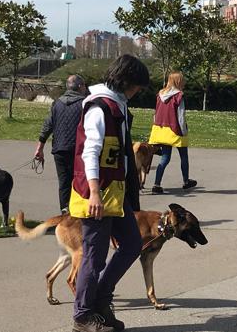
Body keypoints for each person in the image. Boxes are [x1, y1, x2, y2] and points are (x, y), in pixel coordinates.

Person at [69, 54, 148, 332]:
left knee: (132, 244)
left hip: (116, 193)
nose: (138, 92)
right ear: (126, 80)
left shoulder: (117, 106)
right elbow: (89, 152)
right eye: (137, 86)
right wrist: (93, 193)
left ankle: (101, 300)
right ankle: (83, 315)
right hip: (98, 194)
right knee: (94, 256)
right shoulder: (99, 108)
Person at [34, 74, 87, 213]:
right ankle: (77, 212)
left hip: (60, 149)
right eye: (84, 86)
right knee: (79, 181)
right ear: (80, 87)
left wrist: (40, 148)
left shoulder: (57, 103)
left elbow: (47, 126)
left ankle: (65, 211)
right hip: (79, 150)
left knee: (64, 183)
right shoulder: (85, 104)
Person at [148, 71, 197, 194]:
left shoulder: (160, 94)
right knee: (183, 156)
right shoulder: (179, 96)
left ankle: (156, 184)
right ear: (178, 81)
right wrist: (184, 131)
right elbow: (180, 116)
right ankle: (186, 182)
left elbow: (156, 113)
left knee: (165, 158)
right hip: (175, 129)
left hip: (161, 129)